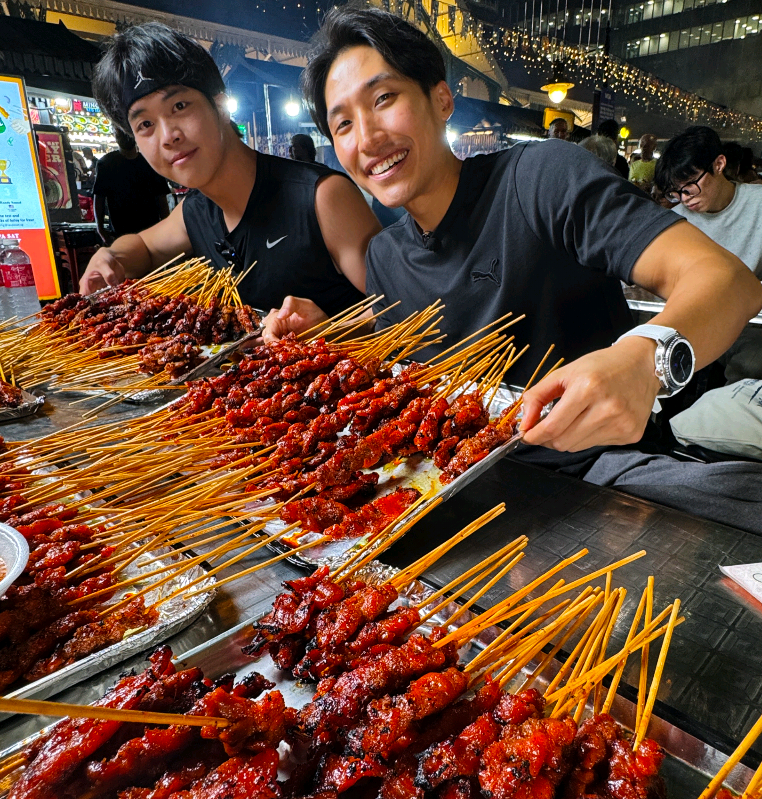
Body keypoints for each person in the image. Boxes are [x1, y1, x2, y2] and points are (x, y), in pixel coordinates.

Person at [266, 9, 762, 531]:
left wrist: (642, 359)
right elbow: (414, 378)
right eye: (343, 123)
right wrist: (331, 338)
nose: (366, 138)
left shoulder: (539, 178)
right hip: (461, 504)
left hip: (605, 477)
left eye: (383, 99)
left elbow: (728, 281)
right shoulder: (385, 257)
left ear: (440, 100)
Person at [80, 22, 380, 316]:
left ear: (220, 104)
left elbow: (403, 306)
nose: (168, 135)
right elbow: (143, 245)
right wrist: (110, 256)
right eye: (145, 124)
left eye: (180, 106)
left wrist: (330, 330)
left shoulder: (320, 198)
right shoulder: (195, 213)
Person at [656, 126, 762, 456]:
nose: (686, 199)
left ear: (718, 164)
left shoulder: (757, 204)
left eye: (691, 185)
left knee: (750, 361)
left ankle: (725, 448)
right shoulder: (676, 220)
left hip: (749, 319)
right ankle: (664, 437)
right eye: (676, 192)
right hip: (695, 318)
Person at [93, 129, 171, 242]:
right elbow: (99, 198)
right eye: (119, 132)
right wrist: (100, 228)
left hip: (151, 231)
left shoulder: (151, 162)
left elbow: (161, 199)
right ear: (114, 135)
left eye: (125, 131)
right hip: (121, 233)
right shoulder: (106, 163)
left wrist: (166, 227)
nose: (124, 136)